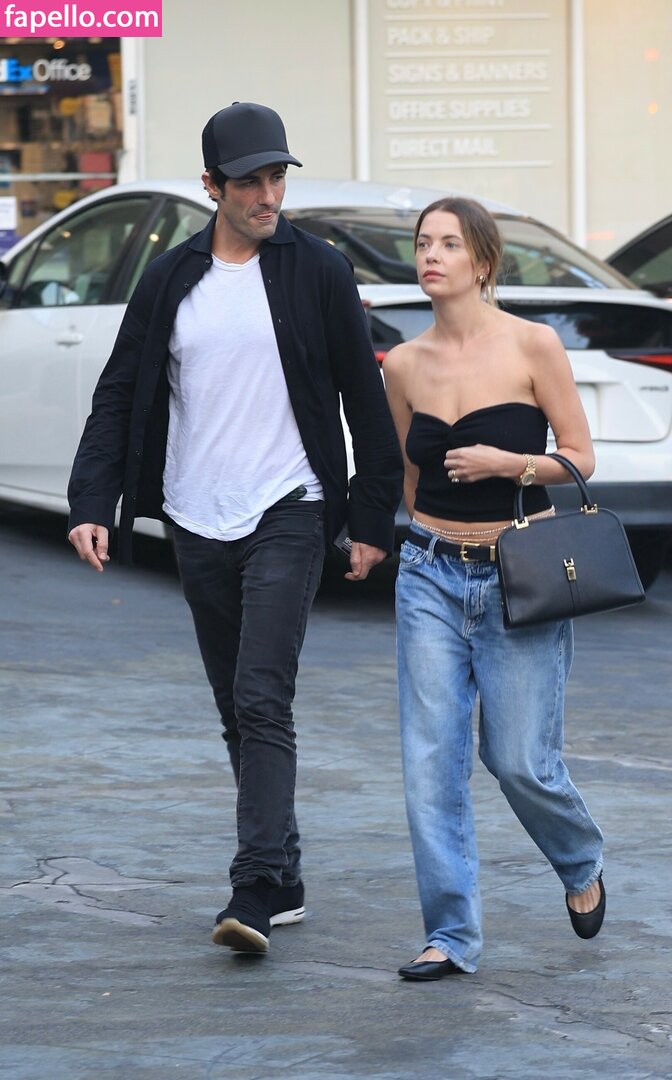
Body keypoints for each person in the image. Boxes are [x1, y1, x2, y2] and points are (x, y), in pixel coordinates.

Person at [67, 102, 403, 956]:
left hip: (289, 505)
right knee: (234, 706)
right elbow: (119, 391)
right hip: (196, 513)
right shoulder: (170, 279)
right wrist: (91, 501)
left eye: (277, 177)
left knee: (261, 695)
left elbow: (363, 397)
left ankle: (252, 886)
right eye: (249, 181)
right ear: (211, 186)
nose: (267, 195)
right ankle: (284, 874)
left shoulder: (318, 271)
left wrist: (371, 516)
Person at [382, 197, 605, 983]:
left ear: (483, 262)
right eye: (423, 242)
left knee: (518, 760)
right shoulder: (403, 365)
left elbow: (580, 457)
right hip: (430, 573)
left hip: (520, 573)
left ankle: (579, 859)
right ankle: (450, 935)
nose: (431, 255)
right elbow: (410, 478)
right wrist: (407, 540)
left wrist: (508, 466)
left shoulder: (532, 345)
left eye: (449, 243)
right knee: (430, 763)